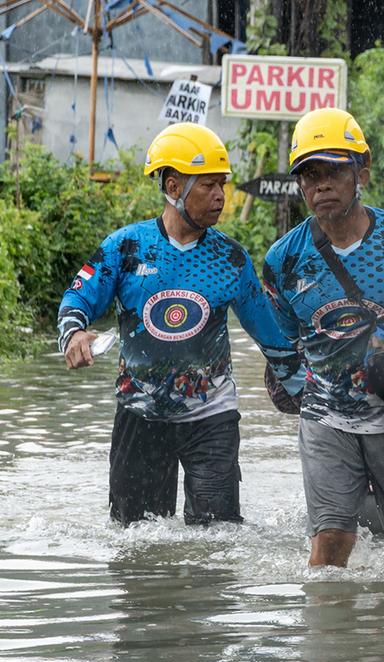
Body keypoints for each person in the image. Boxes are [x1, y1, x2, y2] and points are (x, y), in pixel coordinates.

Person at [58, 123, 299, 526]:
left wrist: (309, 393)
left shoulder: (231, 259)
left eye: (223, 184)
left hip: (212, 415)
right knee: (136, 541)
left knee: (217, 539)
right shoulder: (126, 247)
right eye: (208, 186)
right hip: (140, 412)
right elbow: (77, 298)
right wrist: (75, 332)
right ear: (173, 187)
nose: (221, 196)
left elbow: (271, 337)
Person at [261, 108, 384, 567]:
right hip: (327, 417)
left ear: (362, 170)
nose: (319, 185)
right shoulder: (283, 261)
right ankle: (329, 636)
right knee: (329, 543)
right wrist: (304, 396)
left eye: (332, 171)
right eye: (309, 175)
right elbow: (285, 343)